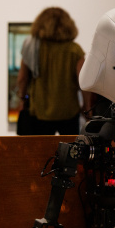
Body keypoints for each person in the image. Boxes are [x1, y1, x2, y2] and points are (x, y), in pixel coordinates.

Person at [17, 7, 90, 135]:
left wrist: (23, 99)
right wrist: (87, 107)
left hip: (39, 112)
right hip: (68, 113)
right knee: (69, 152)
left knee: (40, 153)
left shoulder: (33, 48)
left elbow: (22, 78)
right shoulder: (75, 50)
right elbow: (84, 83)